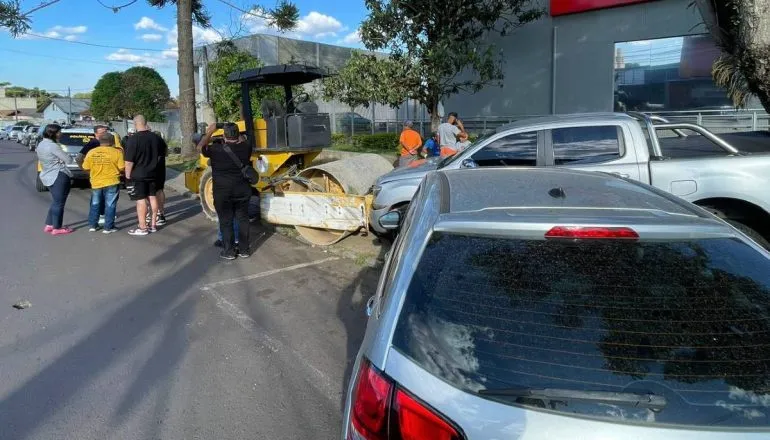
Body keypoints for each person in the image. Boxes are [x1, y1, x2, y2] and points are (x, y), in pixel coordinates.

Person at [197, 122, 252, 260]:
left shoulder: (215, 149)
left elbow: (200, 147)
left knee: (226, 220)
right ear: (239, 135)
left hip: (223, 192)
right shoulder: (246, 147)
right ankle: (244, 250)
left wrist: (210, 132)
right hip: (242, 190)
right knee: (243, 218)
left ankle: (229, 251)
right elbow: (243, 140)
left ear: (223, 135)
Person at [123, 115, 164, 236]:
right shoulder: (156, 138)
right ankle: (153, 225)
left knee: (141, 200)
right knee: (152, 197)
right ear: (146, 123)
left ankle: (142, 227)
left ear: (135, 124)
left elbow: (129, 161)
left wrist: (127, 175)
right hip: (153, 173)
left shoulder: (133, 139)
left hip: (139, 174)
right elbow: (164, 153)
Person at [36, 124, 75, 235]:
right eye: (59, 132)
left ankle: (50, 224)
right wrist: (63, 159)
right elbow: (68, 160)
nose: (60, 133)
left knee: (55, 201)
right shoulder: (53, 146)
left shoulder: (41, 144)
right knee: (59, 203)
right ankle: (57, 228)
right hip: (59, 175)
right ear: (53, 133)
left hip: (47, 175)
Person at [82, 132, 124, 234]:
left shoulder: (91, 152)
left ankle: (93, 225)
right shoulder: (117, 152)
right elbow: (122, 167)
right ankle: (108, 227)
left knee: (95, 203)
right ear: (112, 141)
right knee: (110, 204)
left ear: (99, 141)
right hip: (112, 181)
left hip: (96, 181)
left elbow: (85, 167)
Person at [144, 129, 168, 226]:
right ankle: (160, 214)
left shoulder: (148, 142)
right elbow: (166, 153)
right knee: (159, 190)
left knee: (147, 192)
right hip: (160, 167)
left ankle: (150, 214)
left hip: (149, 168)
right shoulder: (162, 142)